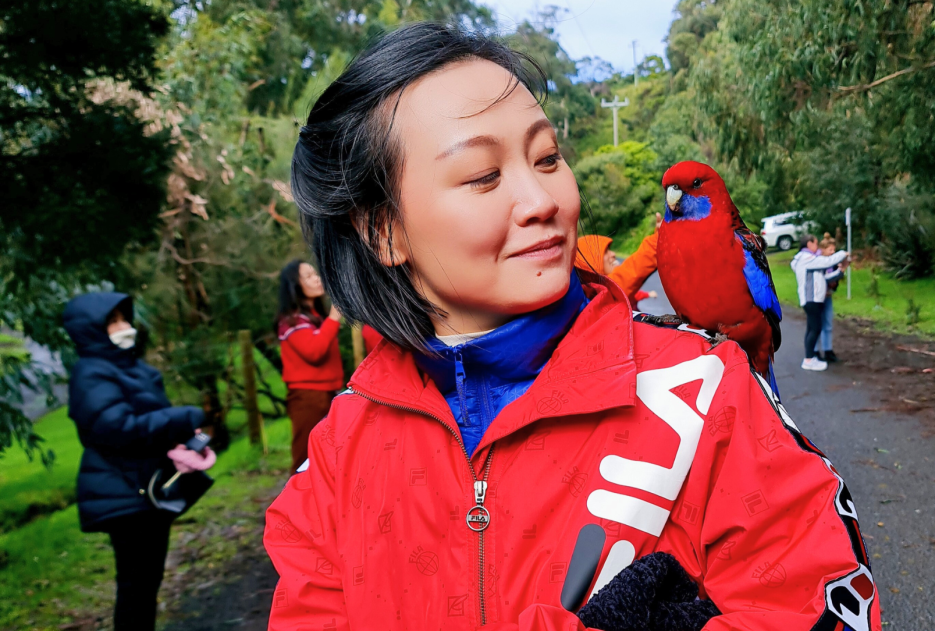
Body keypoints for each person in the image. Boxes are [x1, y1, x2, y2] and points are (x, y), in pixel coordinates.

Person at [265, 23, 881, 631]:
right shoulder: (340, 448)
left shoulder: (708, 393)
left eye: (548, 158)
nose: (544, 200)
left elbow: (817, 594)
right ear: (383, 231)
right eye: (483, 175)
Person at [63, 292, 216, 631]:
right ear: (91, 329)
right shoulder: (92, 373)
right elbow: (116, 428)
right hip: (124, 492)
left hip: (143, 489)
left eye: (124, 318)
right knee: (136, 588)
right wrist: (182, 417)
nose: (124, 327)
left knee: (146, 584)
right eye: (112, 321)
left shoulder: (125, 367)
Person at [276, 259, 346, 472]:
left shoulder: (315, 317)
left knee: (329, 456)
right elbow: (314, 352)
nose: (317, 279)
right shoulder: (291, 322)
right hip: (307, 397)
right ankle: (295, 493)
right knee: (305, 458)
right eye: (308, 276)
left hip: (328, 393)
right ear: (295, 286)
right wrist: (333, 318)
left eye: (315, 274)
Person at [790, 234, 849, 371]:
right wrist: (843, 253)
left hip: (813, 298)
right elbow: (827, 262)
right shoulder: (806, 258)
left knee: (812, 328)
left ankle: (810, 358)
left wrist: (841, 270)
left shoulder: (806, 259)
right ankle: (809, 360)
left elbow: (824, 277)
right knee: (815, 328)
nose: (817, 247)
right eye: (815, 243)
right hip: (811, 298)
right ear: (809, 244)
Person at [574, 217, 660, 309]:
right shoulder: (603, 293)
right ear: (589, 260)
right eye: (605, 251)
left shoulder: (587, 298)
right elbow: (633, 270)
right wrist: (658, 239)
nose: (613, 254)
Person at [814, 234, 845, 362]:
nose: (832, 252)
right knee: (816, 324)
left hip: (828, 296)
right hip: (816, 297)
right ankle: (815, 351)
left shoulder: (833, 263)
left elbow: (834, 280)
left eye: (834, 250)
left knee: (828, 323)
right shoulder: (817, 262)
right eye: (830, 250)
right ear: (823, 249)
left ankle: (828, 350)